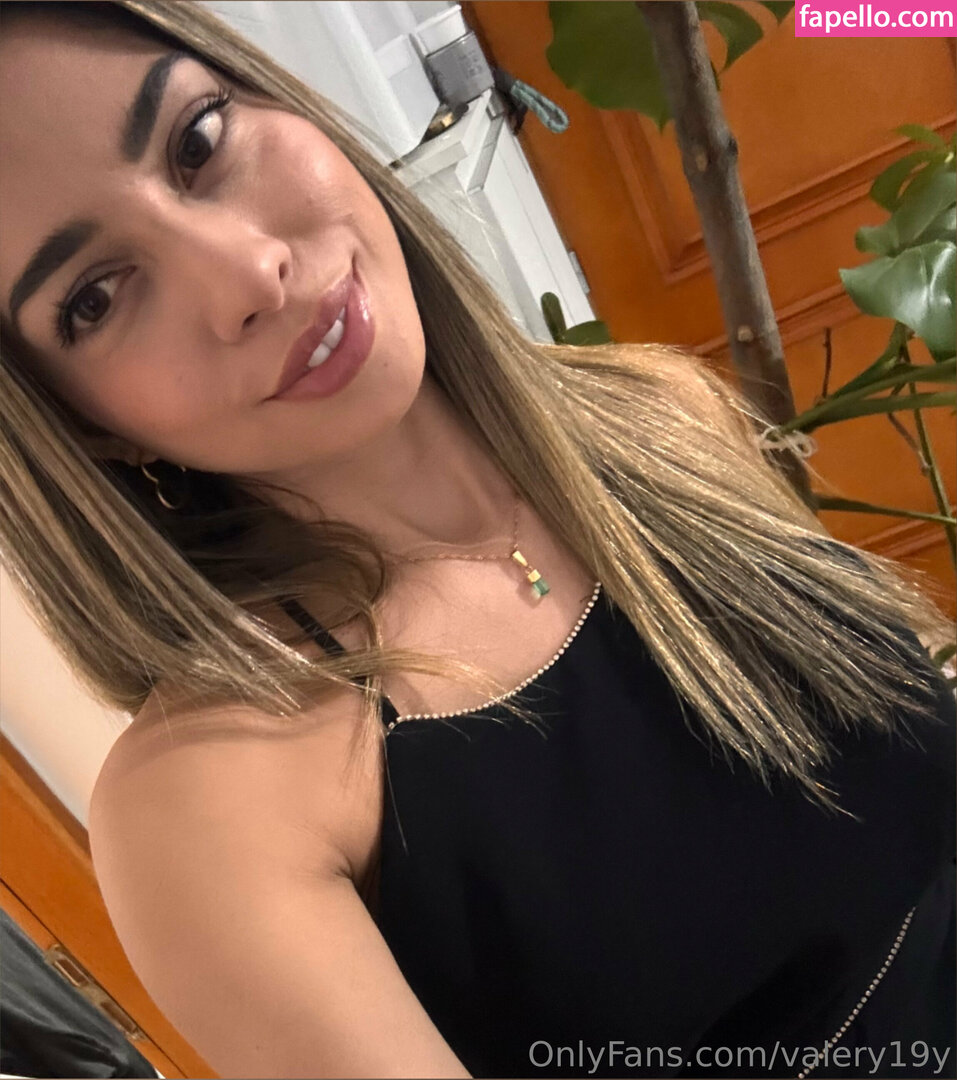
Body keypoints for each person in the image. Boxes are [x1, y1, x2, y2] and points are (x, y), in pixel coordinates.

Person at [0, 2, 953, 1078]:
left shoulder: (653, 417)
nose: (247, 276)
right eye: (95, 299)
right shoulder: (217, 805)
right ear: (81, 425)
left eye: (199, 140)